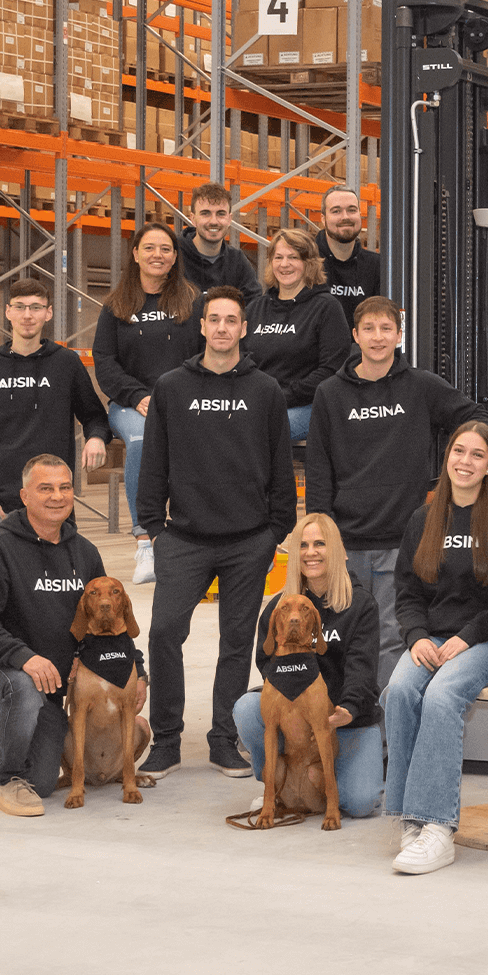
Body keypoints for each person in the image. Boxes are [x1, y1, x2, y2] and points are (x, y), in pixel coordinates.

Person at [137, 285, 296, 778]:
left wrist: (275, 531)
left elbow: (280, 466)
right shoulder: (172, 387)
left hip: (248, 540)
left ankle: (223, 740)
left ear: (243, 329)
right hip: (184, 538)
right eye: (214, 319)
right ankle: (166, 740)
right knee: (164, 633)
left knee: (236, 641)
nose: (222, 327)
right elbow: (154, 461)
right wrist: (155, 529)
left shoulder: (265, 390)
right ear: (202, 326)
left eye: (231, 320)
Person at [0, 456, 130, 817]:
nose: (57, 496)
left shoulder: (85, 552)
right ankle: (8, 783)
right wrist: (26, 657)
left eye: (65, 487)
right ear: (24, 496)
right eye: (45, 488)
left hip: (49, 684)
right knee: (23, 689)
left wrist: (136, 670)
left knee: (43, 779)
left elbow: (105, 619)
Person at [307, 297, 486, 689]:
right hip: (346, 543)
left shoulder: (421, 386)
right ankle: (346, 716)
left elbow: (477, 419)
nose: (378, 337)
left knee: (392, 638)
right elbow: (318, 468)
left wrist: (453, 471)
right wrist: (323, 536)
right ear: (355, 335)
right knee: (340, 636)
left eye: (386, 329)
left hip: (402, 541)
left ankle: (386, 725)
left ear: (399, 336)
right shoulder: (330, 393)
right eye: (369, 329)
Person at [384, 421, 488, 875]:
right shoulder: (424, 519)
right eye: (459, 451)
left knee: (440, 695)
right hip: (432, 637)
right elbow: (407, 591)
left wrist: (466, 637)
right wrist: (417, 636)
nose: (465, 462)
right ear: (447, 457)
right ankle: (410, 818)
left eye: (477, 455)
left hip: (486, 640)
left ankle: (438, 828)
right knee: (399, 691)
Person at [235, 514, 384, 818]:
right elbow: (266, 659)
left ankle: (325, 783)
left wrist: (348, 708)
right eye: (303, 545)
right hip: (298, 721)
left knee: (359, 802)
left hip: (346, 722)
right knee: (247, 709)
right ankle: (278, 786)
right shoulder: (280, 606)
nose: (310, 552)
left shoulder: (360, 604)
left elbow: (363, 667)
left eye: (320, 544)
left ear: (338, 550)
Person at [0, 279, 110, 546]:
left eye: (36, 307)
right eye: (20, 307)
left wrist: (96, 438)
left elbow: (95, 416)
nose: (27, 315)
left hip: (54, 504)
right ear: (8, 311)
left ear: (48, 313)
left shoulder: (66, 363)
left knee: (57, 573)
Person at [93, 223, 202, 583]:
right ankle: (145, 541)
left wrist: (180, 395)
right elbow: (105, 361)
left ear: (175, 257)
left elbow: (204, 354)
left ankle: (195, 537)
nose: (158, 254)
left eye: (166, 249)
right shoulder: (116, 305)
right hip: (131, 404)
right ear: (136, 254)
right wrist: (138, 395)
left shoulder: (192, 301)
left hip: (183, 401)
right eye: (150, 248)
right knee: (142, 439)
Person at [243, 227, 352, 444]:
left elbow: (330, 370)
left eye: (293, 257)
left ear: (309, 263)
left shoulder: (326, 307)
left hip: (307, 405)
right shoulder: (256, 308)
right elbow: (241, 359)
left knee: (257, 430)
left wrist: (282, 396)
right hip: (258, 403)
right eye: (278, 257)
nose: (284, 264)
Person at [177, 181, 262, 300]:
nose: (213, 221)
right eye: (205, 213)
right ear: (193, 218)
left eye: (220, 214)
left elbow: (254, 304)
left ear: (229, 219)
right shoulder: (174, 255)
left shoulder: (237, 261)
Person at [316, 183, 383, 330]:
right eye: (336, 211)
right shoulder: (305, 261)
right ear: (323, 218)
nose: (345, 217)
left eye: (352, 210)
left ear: (360, 214)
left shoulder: (377, 266)